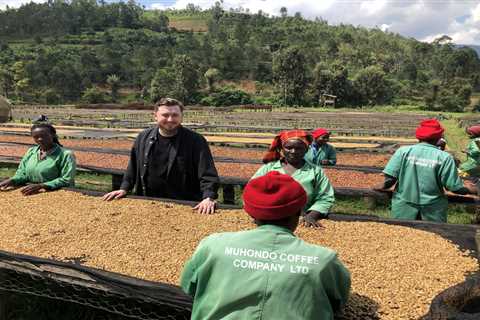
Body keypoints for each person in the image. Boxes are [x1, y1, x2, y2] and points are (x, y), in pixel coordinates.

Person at [180, 171, 351, 320]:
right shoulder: (323, 261)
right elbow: (338, 302)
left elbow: (188, 286)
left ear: (251, 214)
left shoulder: (212, 246)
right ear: (298, 212)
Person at [102, 98, 219, 214]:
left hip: (185, 205)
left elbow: (207, 173)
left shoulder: (195, 141)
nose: (170, 119)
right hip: (147, 203)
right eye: (165, 115)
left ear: (181, 116)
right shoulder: (143, 138)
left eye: (175, 115)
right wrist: (124, 188)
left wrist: (208, 197)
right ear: (155, 116)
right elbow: (133, 167)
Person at [374, 119, 477, 222]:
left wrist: (379, 187)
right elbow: (454, 187)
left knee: (402, 235)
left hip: (404, 207)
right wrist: (473, 190)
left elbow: (390, 180)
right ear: (438, 137)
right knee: (433, 236)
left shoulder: (403, 151)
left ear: (419, 136)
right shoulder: (444, 157)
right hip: (432, 210)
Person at [252, 130, 335, 228]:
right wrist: (263, 213)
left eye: (299, 148)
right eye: (288, 148)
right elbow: (252, 191)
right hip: (269, 218)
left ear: (306, 149)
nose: (293, 151)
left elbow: (326, 197)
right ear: (282, 149)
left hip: (303, 218)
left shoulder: (315, 171)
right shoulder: (268, 168)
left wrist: (312, 215)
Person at [0, 123, 76, 195]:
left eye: (44, 136)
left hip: (58, 193)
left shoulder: (65, 155)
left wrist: (42, 186)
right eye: (36, 137)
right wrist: (13, 180)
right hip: (31, 191)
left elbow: (66, 179)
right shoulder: (31, 151)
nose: (40, 139)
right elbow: (22, 172)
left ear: (53, 135)